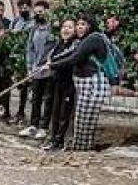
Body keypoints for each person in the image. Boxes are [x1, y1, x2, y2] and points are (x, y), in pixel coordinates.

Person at [47, 15, 111, 151]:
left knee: (85, 119)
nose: (79, 27)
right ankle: (79, 147)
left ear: (90, 25)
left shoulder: (93, 39)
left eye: (83, 24)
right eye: (78, 25)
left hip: (92, 84)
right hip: (83, 84)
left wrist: (52, 65)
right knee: (82, 118)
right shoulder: (83, 40)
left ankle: (81, 149)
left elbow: (74, 58)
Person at [20, 1, 55, 140]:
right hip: (36, 70)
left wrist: (50, 62)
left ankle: (44, 126)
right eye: (36, 12)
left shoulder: (54, 29)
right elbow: (30, 49)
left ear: (47, 11)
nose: (38, 15)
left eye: (40, 12)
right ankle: (33, 125)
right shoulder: (34, 29)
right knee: (35, 99)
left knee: (48, 99)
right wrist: (29, 67)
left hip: (49, 70)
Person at [43, 19, 79, 150]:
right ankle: (53, 139)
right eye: (64, 27)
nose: (66, 29)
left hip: (69, 84)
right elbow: (52, 57)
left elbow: (67, 59)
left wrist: (51, 65)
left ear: (75, 31)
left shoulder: (75, 45)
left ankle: (61, 141)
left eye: (70, 27)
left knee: (65, 113)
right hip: (56, 82)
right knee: (55, 111)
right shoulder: (58, 45)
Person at [10, 0, 35, 122]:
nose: (23, 9)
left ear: (30, 8)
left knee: (31, 86)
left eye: (26, 7)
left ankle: (32, 115)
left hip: (30, 57)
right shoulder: (15, 21)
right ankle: (20, 111)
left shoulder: (34, 22)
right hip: (18, 57)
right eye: (21, 7)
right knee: (21, 86)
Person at [0, 0, 15, 125]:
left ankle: (4, 111)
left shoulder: (8, 23)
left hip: (6, 60)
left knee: (6, 86)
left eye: (1, 10)